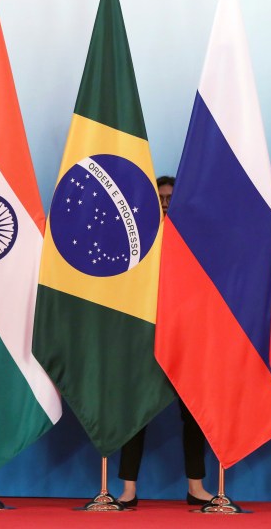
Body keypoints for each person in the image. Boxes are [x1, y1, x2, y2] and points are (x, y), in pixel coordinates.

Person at [116, 176, 214, 508]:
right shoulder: (137, 240)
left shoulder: (195, 241)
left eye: (171, 197)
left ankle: (196, 486)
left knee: (194, 415)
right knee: (136, 413)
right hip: (145, 338)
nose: (166, 202)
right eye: (160, 197)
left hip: (187, 339)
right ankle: (128, 490)